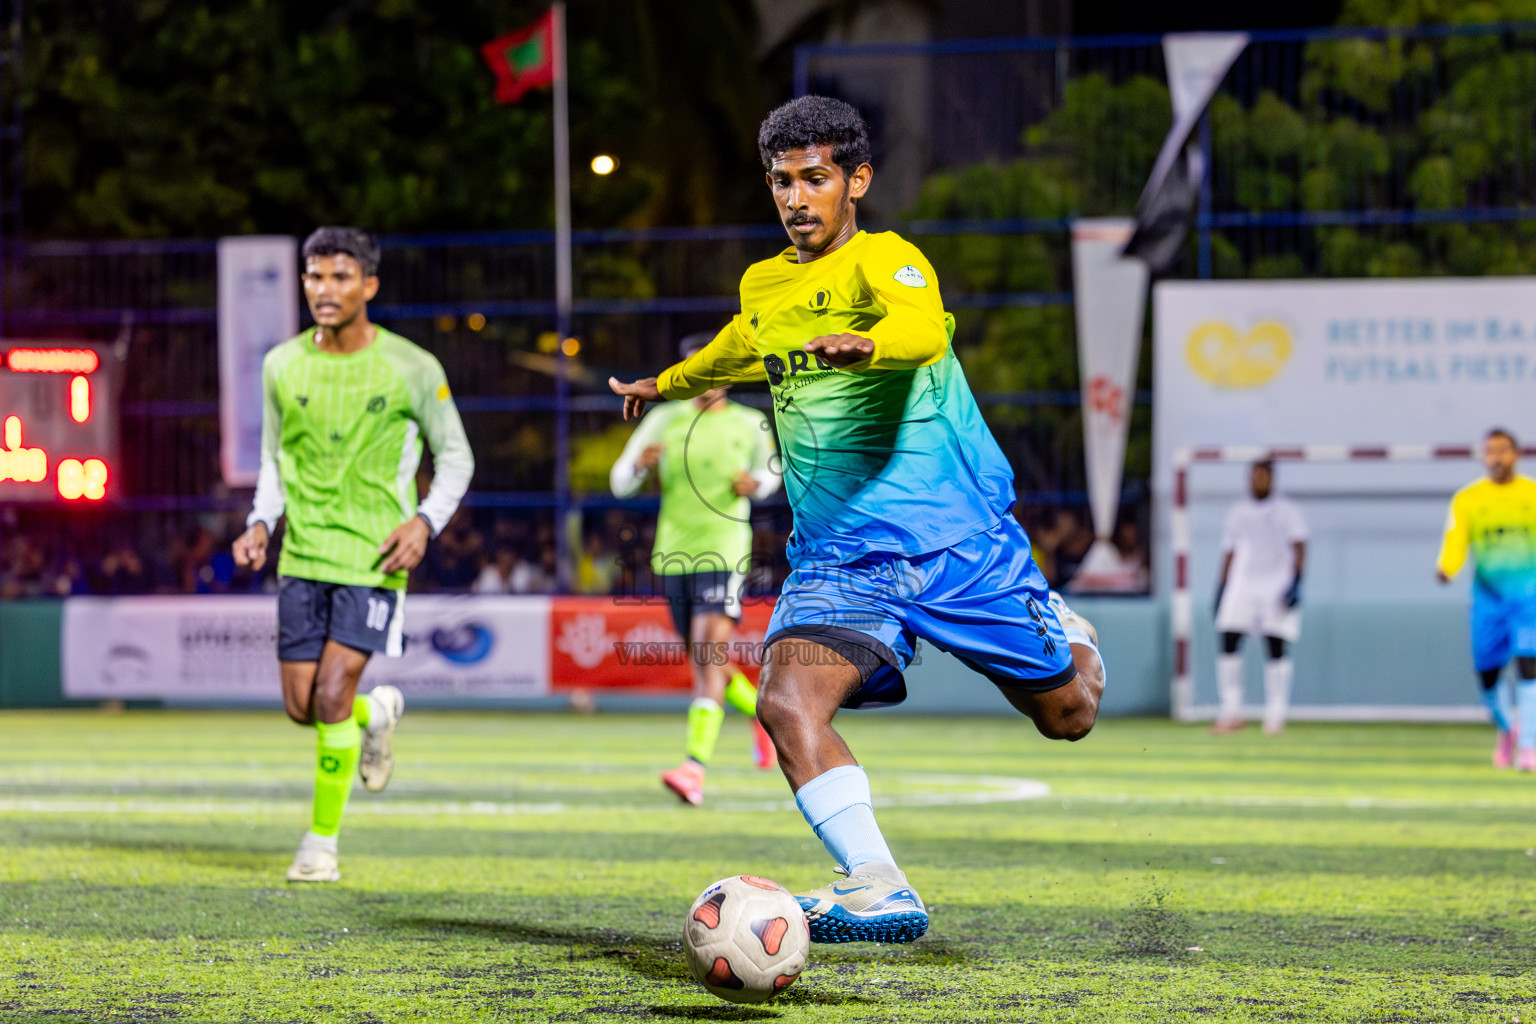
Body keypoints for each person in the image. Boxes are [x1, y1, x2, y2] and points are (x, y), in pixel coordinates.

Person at [609, 96, 1105, 944]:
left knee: (1070, 713)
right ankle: (878, 883)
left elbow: (915, 327)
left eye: (814, 179)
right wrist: (667, 383)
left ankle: (1064, 623)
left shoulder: (889, 263)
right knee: (785, 700)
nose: (797, 199)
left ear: (856, 181)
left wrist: (869, 343)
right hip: (841, 559)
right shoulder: (766, 284)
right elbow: (739, 345)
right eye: (780, 183)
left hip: (960, 547)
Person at [231, 227, 474, 882]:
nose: (325, 289)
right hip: (301, 555)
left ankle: (320, 844)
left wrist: (425, 522)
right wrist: (260, 521)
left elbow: (456, 456)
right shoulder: (281, 363)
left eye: (340, 277)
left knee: (333, 692)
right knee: (301, 707)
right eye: (314, 276)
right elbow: (272, 460)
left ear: (368, 284)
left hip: (374, 558)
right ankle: (380, 712)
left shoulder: (413, 366)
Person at [611, 331, 782, 805]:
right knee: (710, 661)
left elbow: (772, 472)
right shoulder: (664, 418)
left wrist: (759, 484)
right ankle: (761, 711)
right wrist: (639, 468)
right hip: (672, 553)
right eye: (696, 368)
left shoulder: (750, 423)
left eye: (713, 367)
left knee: (707, 659)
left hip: (724, 551)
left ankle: (693, 768)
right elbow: (620, 479)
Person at [1436, 428, 1536, 770]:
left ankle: (1529, 747)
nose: (1496, 457)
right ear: (1482, 456)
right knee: (1487, 677)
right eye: (1490, 451)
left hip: (1528, 600)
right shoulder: (1468, 499)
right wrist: (1446, 568)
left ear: (1516, 454)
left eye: (1503, 450)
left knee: (1529, 666)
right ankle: (1508, 728)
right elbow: (1456, 540)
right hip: (1488, 600)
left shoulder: (1532, 494)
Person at [1211, 460, 1307, 736]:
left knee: (1275, 645)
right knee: (1229, 640)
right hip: (1243, 584)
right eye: (1255, 476)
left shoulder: (1287, 511)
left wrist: (1297, 581)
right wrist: (1221, 586)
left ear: (1272, 479)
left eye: (1264, 476)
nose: (1259, 481)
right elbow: (1229, 550)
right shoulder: (1238, 512)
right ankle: (1232, 710)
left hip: (1276, 584)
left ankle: (1276, 715)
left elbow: (1299, 545)